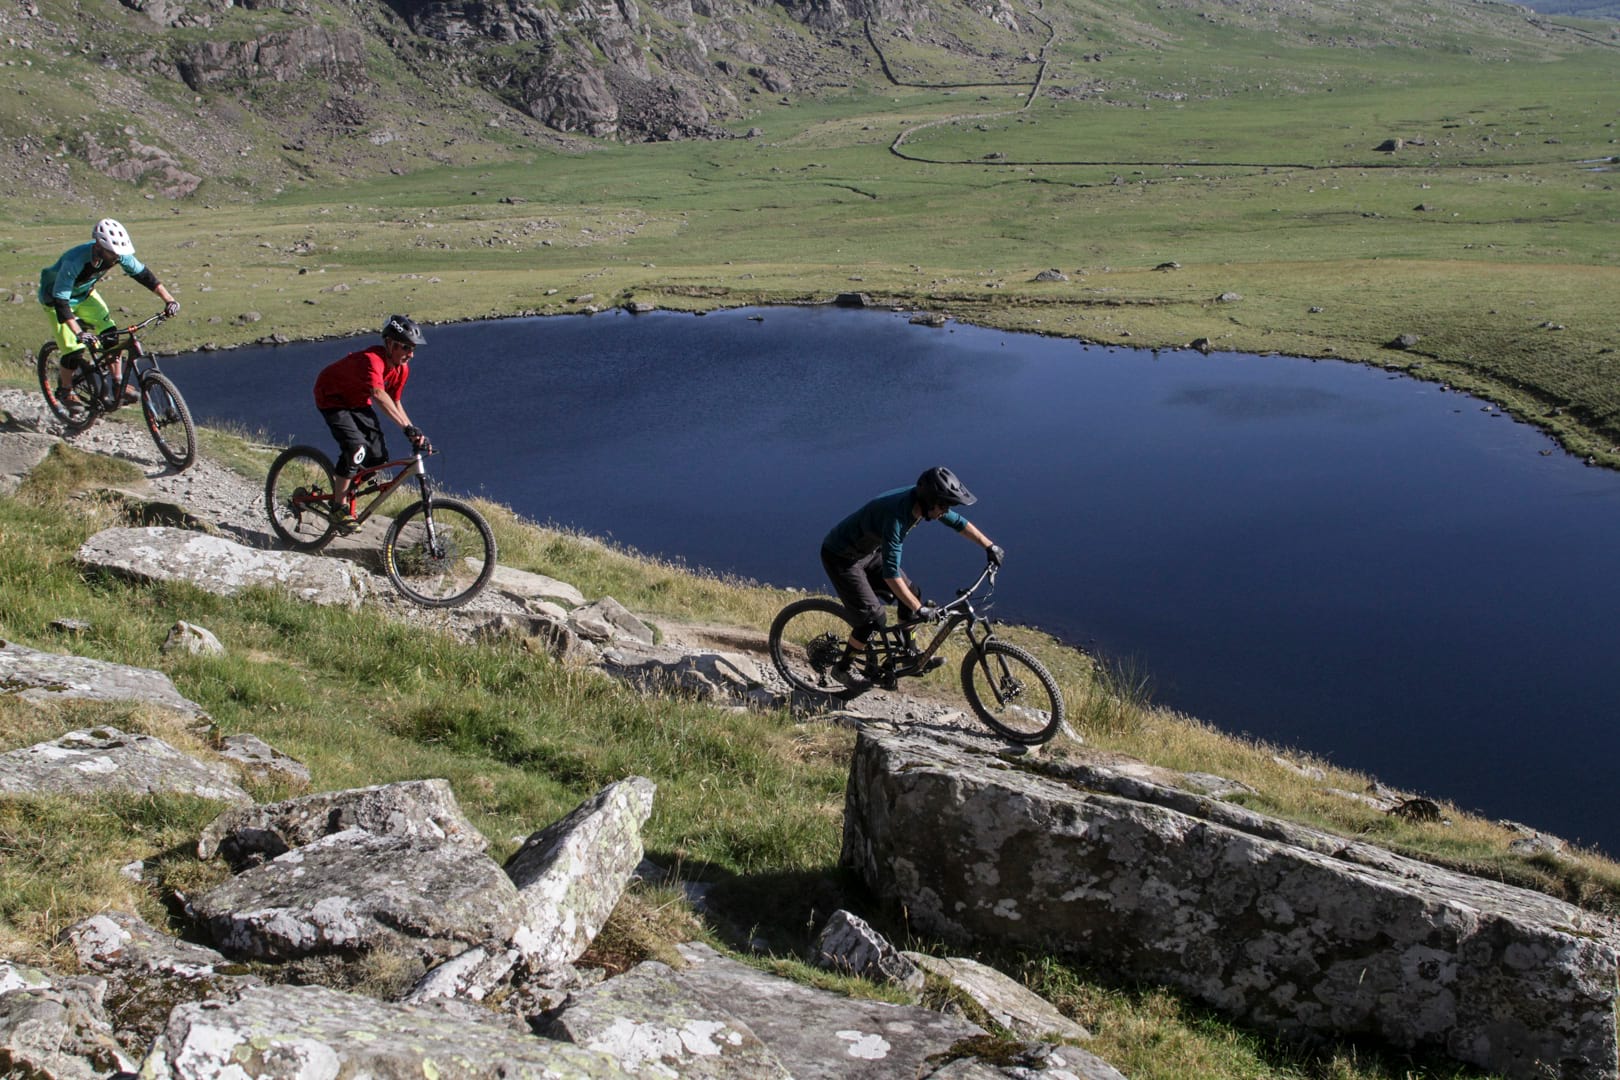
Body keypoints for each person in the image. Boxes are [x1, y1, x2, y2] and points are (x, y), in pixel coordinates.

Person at [819, 466, 1005, 683]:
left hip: (868, 551)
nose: (945, 511)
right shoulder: (897, 517)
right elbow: (890, 573)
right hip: (841, 557)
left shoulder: (923, 502)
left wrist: (990, 546)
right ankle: (842, 668)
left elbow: (958, 523)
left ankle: (910, 654)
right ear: (929, 501)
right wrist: (920, 609)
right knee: (872, 619)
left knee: (912, 592)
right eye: (943, 506)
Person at [38, 218, 180, 419]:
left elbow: (144, 276)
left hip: (85, 295)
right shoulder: (75, 261)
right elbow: (61, 302)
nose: (116, 258)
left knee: (111, 335)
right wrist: (79, 333)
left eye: (119, 254)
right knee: (74, 350)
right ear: (99, 246)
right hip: (55, 300)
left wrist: (169, 300)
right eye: (112, 253)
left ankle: (118, 385)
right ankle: (66, 390)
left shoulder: (119, 255)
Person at [312, 314, 431, 534]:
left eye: (413, 348)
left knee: (378, 457)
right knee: (356, 448)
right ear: (390, 343)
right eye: (406, 347)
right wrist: (405, 428)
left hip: (357, 401)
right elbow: (378, 394)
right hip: (332, 397)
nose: (411, 354)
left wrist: (413, 431)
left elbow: (395, 401)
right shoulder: (371, 360)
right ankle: (338, 507)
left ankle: (346, 488)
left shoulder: (401, 369)